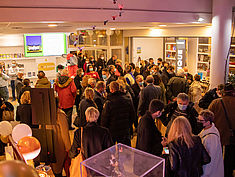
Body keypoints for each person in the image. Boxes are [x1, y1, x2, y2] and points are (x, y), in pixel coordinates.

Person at [208, 83, 235, 177]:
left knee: (217, 158)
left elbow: (208, 118)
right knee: (229, 158)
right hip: (232, 137)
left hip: (217, 135)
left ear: (222, 92)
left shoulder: (216, 103)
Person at [101, 81, 135, 146]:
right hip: (125, 129)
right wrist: (128, 125)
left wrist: (105, 129)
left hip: (112, 131)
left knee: (112, 151)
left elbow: (105, 119)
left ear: (111, 90)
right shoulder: (127, 100)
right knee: (125, 150)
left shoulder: (109, 103)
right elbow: (132, 115)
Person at [198, 110, 224, 177]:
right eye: (198, 119)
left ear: (208, 122)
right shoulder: (207, 129)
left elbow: (210, 159)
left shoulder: (211, 137)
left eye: (201, 121)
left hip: (210, 173)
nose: (198, 122)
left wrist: (204, 174)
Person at [51, 98, 71, 177]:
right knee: (59, 168)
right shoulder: (60, 115)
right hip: (59, 146)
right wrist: (68, 148)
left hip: (50, 146)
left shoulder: (45, 114)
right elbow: (64, 133)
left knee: (55, 170)